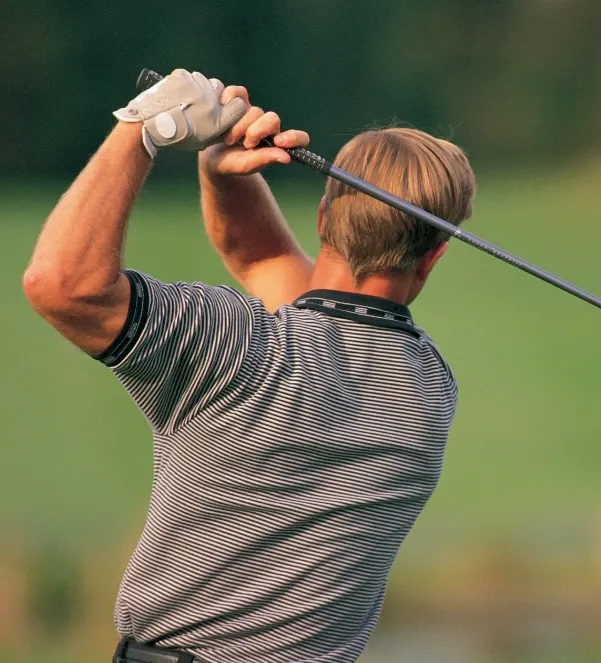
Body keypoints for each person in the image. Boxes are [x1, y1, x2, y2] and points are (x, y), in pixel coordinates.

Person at [23, 69, 476, 663]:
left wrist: (144, 128)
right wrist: (223, 176)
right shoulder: (427, 387)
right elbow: (267, 263)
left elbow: (62, 286)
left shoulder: (239, 346)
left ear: (322, 218)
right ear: (435, 254)